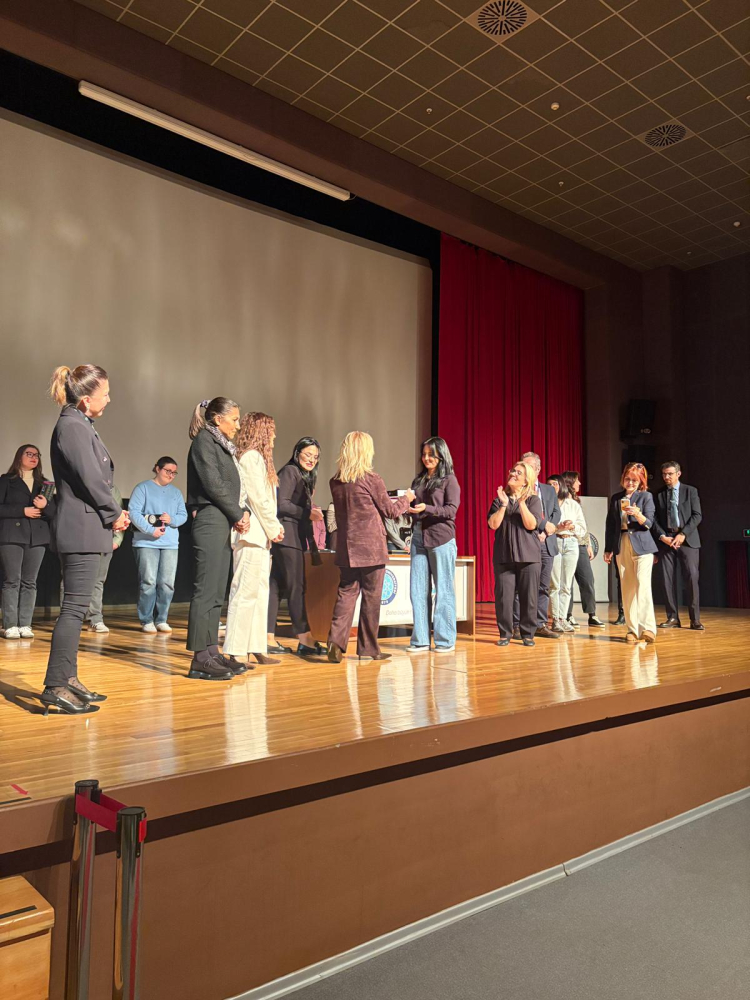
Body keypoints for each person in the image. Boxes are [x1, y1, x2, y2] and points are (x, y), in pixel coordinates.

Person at [41, 365, 130, 715]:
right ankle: (55, 686)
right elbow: (91, 479)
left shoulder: (80, 424)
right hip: (80, 529)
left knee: (77, 610)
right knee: (74, 609)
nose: (109, 399)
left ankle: (69, 677)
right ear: (86, 399)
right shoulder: (72, 426)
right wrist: (114, 513)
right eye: (105, 394)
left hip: (88, 527)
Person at [327, 432, 414, 662]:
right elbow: (391, 511)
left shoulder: (335, 482)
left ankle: (335, 641)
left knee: (346, 594)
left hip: (347, 548)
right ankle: (368, 649)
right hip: (371, 548)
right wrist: (407, 498)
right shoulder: (371, 479)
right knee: (371, 598)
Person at [186, 397, 249, 681]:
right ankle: (200, 658)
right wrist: (238, 513)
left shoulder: (221, 444)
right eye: (234, 419)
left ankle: (211, 650)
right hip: (211, 517)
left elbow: (232, 486)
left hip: (222, 518)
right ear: (217, 419)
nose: (238, 425)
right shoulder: (204, 442)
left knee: (215, 591)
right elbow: (214, 484)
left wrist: (242, 512)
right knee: (205, 589)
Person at [224, 413, 284, 668]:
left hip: (261, 537)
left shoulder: (259, 459)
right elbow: (258, 499)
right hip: (251, 535)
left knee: (260, 593)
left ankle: (255, 645)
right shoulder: (250, 457)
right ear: (261, 432)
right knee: (244, 593)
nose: (274, 436)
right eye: (271, 430)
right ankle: (236, 650)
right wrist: (274, 527)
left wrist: (270, 531)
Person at [267, 437, 325, 656]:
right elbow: (281, 504)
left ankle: (267, 637)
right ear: (297, 452)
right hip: (288, 536)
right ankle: (305, 639)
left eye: (315, 457)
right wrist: (307, 513)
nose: (311, 460)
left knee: (275, 587)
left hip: (290, 537)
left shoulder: (301, 475)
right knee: (296, 588)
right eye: (307, 454)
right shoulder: (290, 471)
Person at [407, 436, 460, 653]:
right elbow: (414, 507)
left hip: (441, 538)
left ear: (441, 456)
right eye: (424, 454)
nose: (426, 458)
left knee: (444, 590)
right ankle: (420, 640)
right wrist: (406, 505)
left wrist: (426, 509)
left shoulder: (449, 480)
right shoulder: (418, 480)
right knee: (418, 590)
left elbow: (451, 510)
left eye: (431, 454)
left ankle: (445, 640)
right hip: (419, 536)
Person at [0, 444, 55, 639]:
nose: (34, 458)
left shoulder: (44, 484)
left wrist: (45, 505)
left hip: (37, 537)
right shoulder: (7, 480)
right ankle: (10, 625)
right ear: (19, 457)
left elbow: (54, 514)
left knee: (30, 582)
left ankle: (25, 624)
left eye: (36, 455)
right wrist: (22, 511)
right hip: (12, 535)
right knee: (12, 580)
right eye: (29, 454)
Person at [128, 457, 188, 633]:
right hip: (146, 542)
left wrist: (172, 519)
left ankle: (161, 619)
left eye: (174, 472)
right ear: (157, 469)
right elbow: (134, 513)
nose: (171, 475)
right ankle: (146, 620)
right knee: (148, 581)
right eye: (167, 471)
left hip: (170, 543)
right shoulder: (143, 488)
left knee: (167, 583)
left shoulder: (176, 493)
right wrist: (150, 530)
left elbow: (183, 515)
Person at [488, 462, 544, 647]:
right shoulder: (499, 500)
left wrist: (521, 503)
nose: (513, 474)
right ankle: (505, 633)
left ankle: (528, 634)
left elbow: (531, 524)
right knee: (504, 598)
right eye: (512, 471)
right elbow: (493, 524)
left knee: (529, 597)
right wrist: (504, 505)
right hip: (504, 557)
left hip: (529, 557)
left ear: (526, 480)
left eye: (518, 472)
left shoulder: (533, 500)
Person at [604, 463, 658, 643]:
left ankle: (648, 629)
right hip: (622, 542)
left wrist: (637, 514)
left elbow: (649, 524)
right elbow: (611, 525)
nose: (630, 483)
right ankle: (632, 630)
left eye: (635, 480)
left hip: (643, 545)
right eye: (627, 479)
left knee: (642, 585)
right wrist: (608, 548)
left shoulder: (646, 496)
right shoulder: (616, 498)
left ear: (641, 481)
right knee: (627, 588)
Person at [651, 462, 704, 631]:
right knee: (666, 579)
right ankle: (672, 617)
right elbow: (654, 519)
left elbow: (697, 515)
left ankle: (695, 619)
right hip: (666, 540)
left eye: (670, 474)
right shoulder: (658, 494)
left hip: (687, 540)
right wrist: (663, 536)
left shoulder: (690, 491)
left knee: (691, 578)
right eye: (664, 474)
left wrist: (683, 534)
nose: (666, 477)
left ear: (678, 474)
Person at [515, 451, 560, 640]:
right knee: (521, 586)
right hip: (526, 541)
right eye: (523, 466)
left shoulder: (548, 490)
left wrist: (547, 531)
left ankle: (540, 624)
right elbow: (522, 514)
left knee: (543, 586)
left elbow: (556, 513)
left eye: (530, 467)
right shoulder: (519, 488)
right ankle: (518, 625)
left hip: (546, 543)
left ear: (538, 469)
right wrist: (542, 526)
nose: (526, 470)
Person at [561, 471, 605, 629]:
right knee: (567, 581)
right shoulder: (560, 501)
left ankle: (592, 614)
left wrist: (588, 544)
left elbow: (583, 526)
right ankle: (568, 615)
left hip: (580, 545)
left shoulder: (577, 501)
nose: (579, 483)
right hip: (565, 543)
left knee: (587, 579)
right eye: (577, 481)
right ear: (570, 483)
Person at [546, 475, 587, 633]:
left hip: (571, 543)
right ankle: (555, 619)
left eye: (555, 484)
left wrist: (572, 527)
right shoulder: (547, 504)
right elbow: (544, 526)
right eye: (549, 484)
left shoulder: (573, 505)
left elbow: (582, 529)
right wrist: (559, 527)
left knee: (566, 584)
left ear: (561, 485)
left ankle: (563, 619)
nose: (553, 487)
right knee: (555, 584)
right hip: (554, 541)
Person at [83, 484, 124, 633]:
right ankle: (69, 617)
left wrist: (117, 539)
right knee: (72, 580)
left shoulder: (113, 489)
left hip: (104, 540)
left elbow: (119, 513)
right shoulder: (82, 482)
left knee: (98, 581)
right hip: (81, 537)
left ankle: (95, 619)